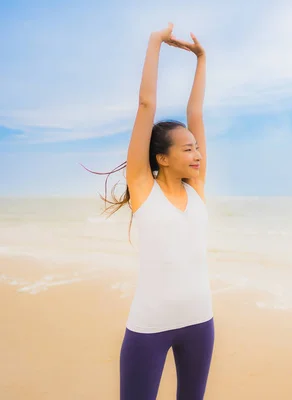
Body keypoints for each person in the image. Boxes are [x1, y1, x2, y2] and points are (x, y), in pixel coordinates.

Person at [82, 22, 213, 399]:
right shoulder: (143, 188)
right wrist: (155, 41)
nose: (197, 154)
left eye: (197, 147)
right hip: (150, 326)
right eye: (187, 149)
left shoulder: (198, 188)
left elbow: (197, 113)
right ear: (162, 158)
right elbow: (146, 105)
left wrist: (201, 59)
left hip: (200, 321)